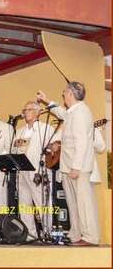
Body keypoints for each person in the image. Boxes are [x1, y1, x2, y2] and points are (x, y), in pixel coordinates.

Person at [38, 83, 98, 246]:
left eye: (64, 92)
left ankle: (90, 237)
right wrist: (48, 101)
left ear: (71, 93)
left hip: (77, 168)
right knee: (73, 204)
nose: (63, 95)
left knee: (83, 203)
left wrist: (76, 167)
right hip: (69, 167)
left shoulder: (80, 113)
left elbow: (82, 142)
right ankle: (77, 234)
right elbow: (62, 113)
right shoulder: (74, 112)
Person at [13, 100, 54, 240]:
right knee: (24, 205)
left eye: (30, 109)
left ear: (38, 112)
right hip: (22, 172)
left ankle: (47, 233)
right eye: (25, 110)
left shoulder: (46, 128)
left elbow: (53, 149)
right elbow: (14, 150)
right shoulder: (19, 131)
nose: (26, 112)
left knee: (42, 204)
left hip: (38, 172)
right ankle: (30, 235)